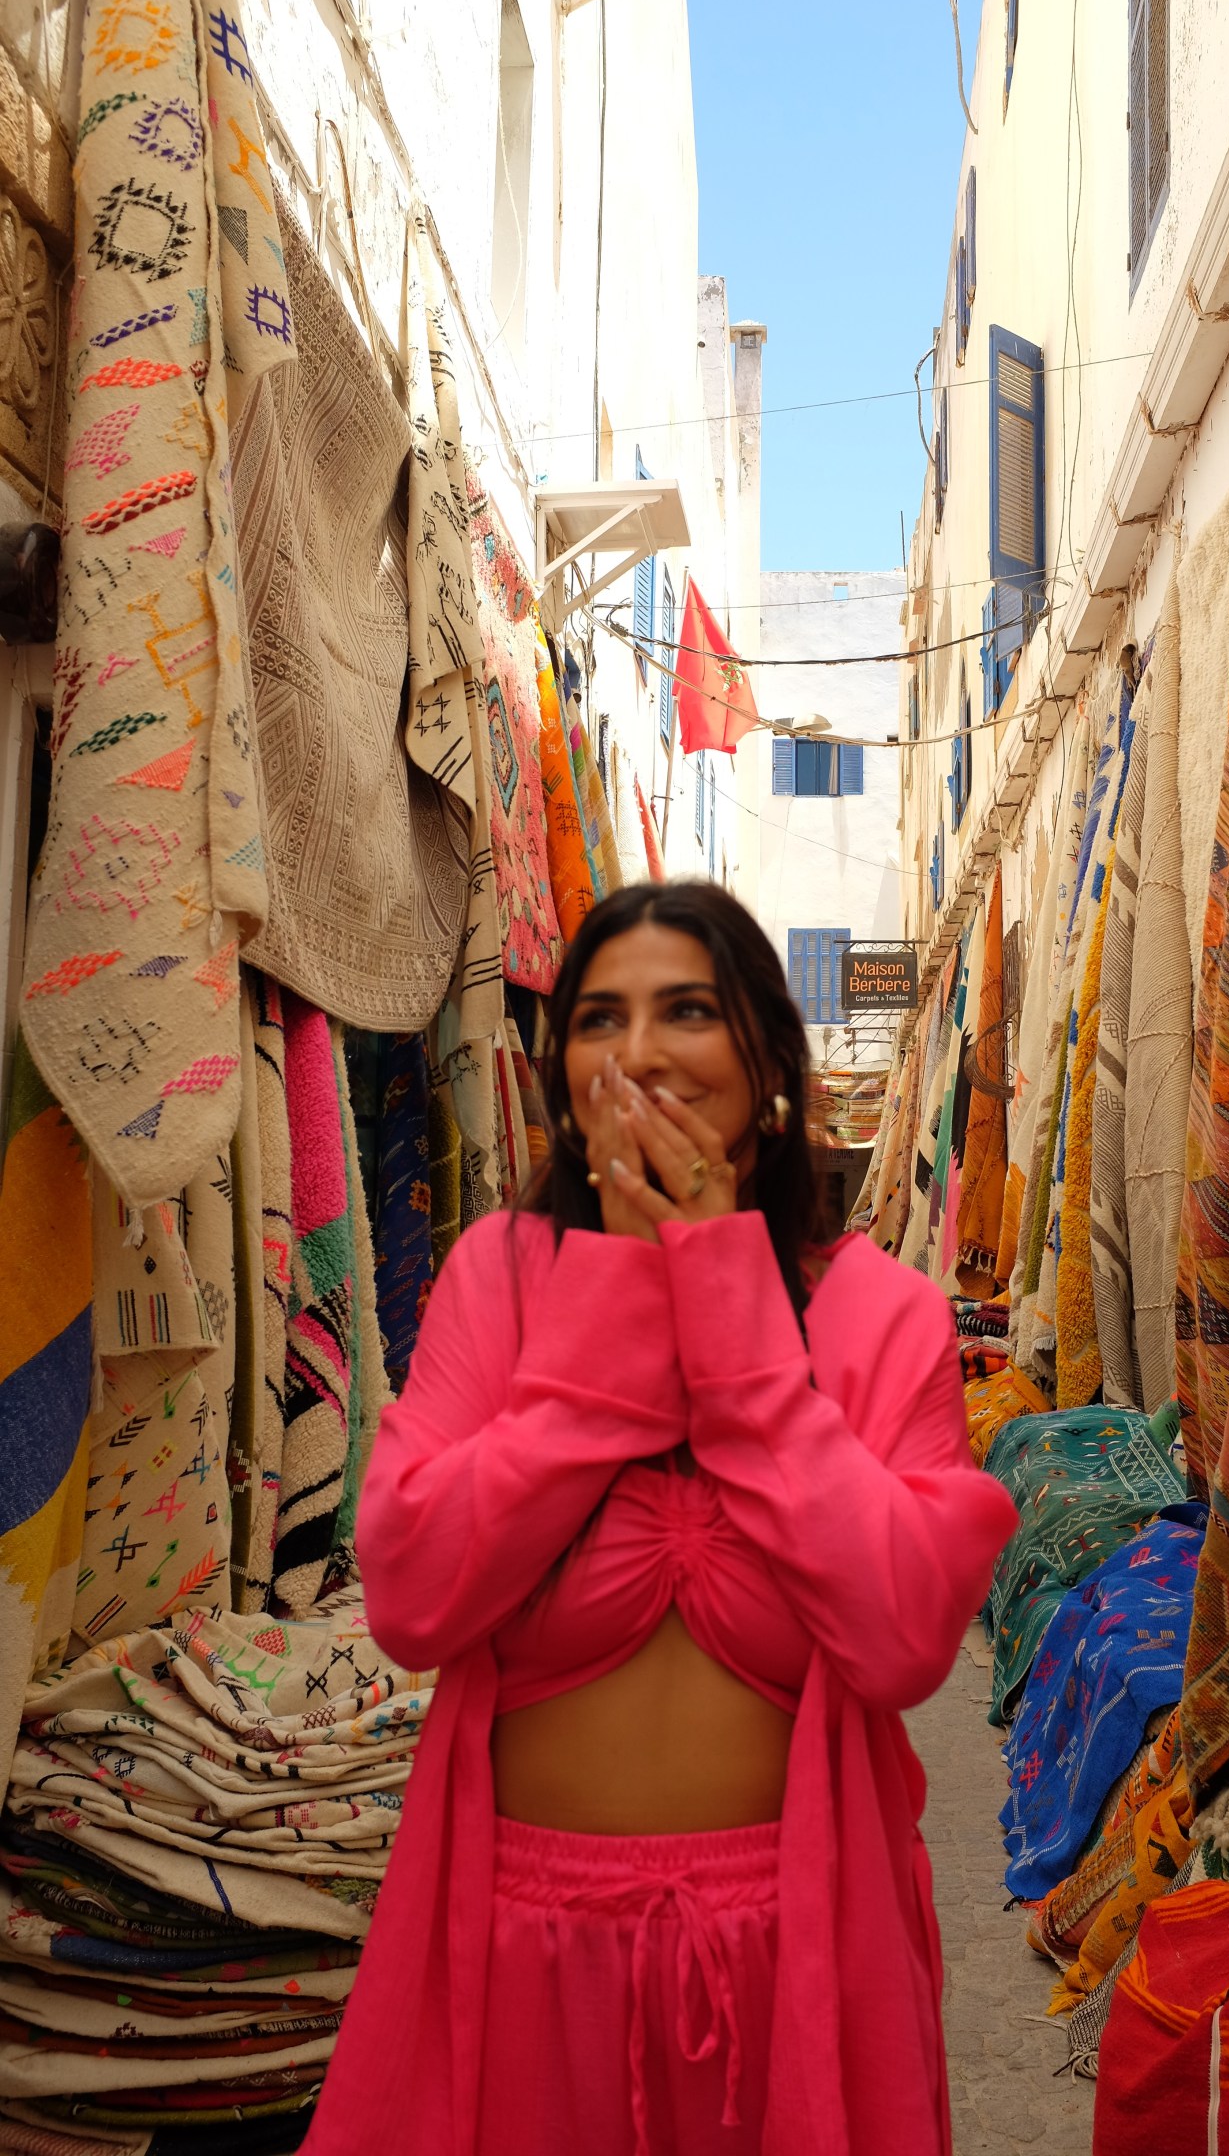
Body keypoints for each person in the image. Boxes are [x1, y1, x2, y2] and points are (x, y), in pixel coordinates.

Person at [302, 883, 1017, 2156]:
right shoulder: (497, 1279)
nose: (636, 1052)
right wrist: (620, 1305)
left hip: (799, 1962)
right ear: (562, 1072)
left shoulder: (885, 1316)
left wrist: (733, 1320)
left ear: (771, 1064)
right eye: (598, 1018)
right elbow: (413, 1596)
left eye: (687, 1010)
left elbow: (903, 1637)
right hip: (517, 1966)